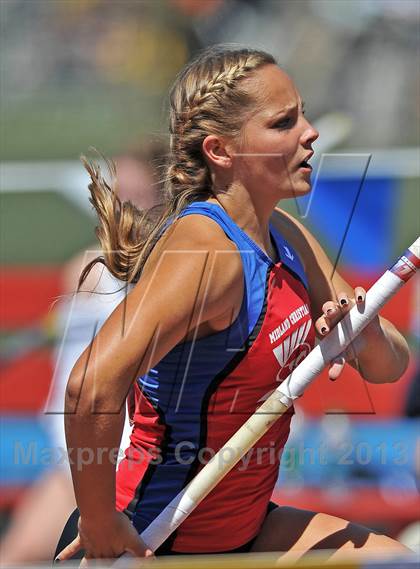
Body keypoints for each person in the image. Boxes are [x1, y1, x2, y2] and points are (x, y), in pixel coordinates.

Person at [56, 45, 410, 563]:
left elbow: (389, 366)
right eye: (283, 122)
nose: (310, 132)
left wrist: (359, 331)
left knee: (395, 562)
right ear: (221, 151)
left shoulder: (283, 232)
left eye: (303, 114)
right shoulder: (206, 252)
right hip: (156, 541)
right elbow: (90, 386)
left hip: (242, 530)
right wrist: (99, 520)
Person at [0, 145, 164, 565]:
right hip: (75, 457)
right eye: (115, 193)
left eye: (134, 194)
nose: (120, 207)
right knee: (17, 557)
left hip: (113, 458)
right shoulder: (88, 267)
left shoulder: (169, 270)